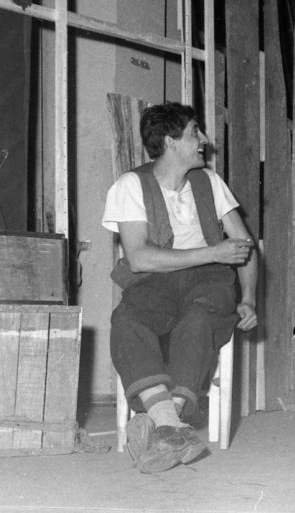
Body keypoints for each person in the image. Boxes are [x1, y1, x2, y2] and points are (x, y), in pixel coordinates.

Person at [103, 102, 258, 474]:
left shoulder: (210, 182)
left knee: (198, 318)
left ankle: (160, 421)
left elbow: (245, 247)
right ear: (171, 142)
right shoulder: (130, 185)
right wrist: (213, 251)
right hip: (154, 280)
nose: (204, 140)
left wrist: (249, 298)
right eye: (194, 132)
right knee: (127, 319)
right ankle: (171, 426)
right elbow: (139, 258)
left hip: (209, 280)